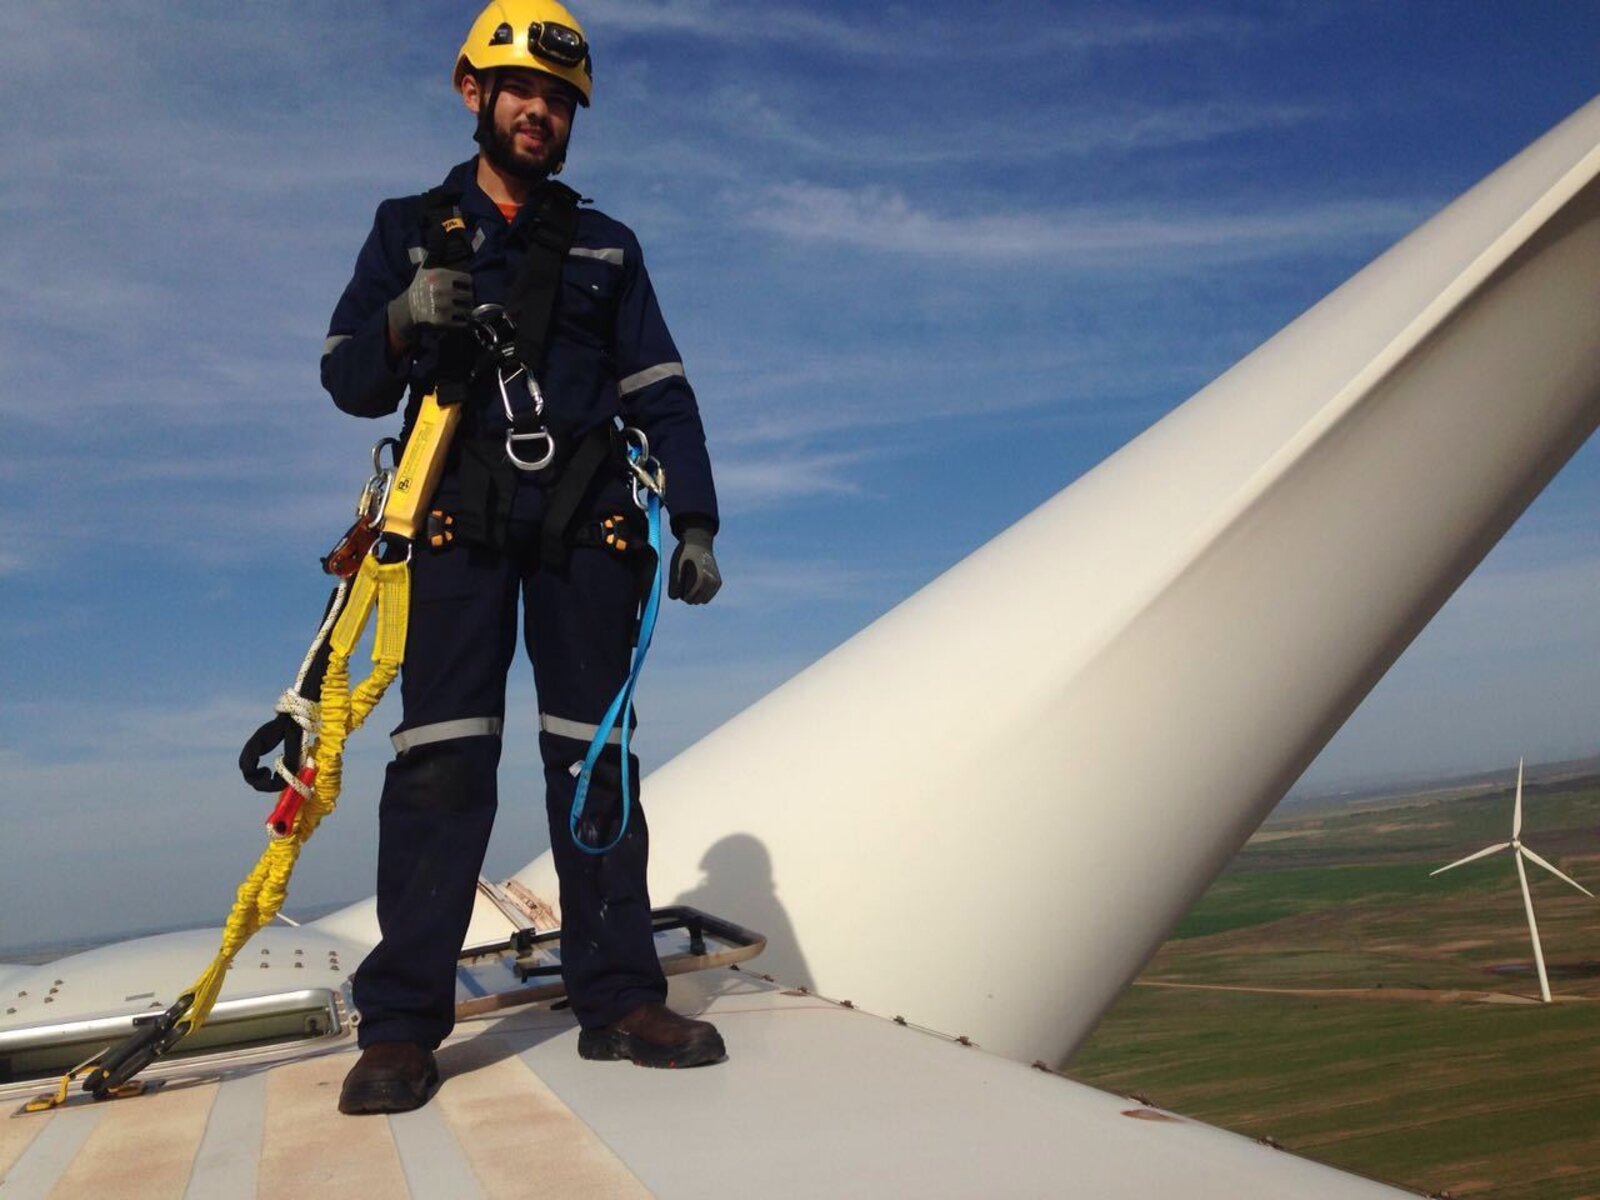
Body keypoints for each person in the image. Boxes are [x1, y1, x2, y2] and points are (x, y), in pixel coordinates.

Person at [321, 0, 726, 1115]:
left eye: (559, 101)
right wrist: (404, 317)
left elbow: (663, 394)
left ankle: (619, 1001)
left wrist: (693, 519)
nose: (541, 113)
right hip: (453, 528)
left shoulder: (605, 247)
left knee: (595, 766)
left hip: (589, 530)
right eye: (523, 93)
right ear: (474, 94)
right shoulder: (410, 228)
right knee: (441, 767)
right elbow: (349, 376)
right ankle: (401, 1026)